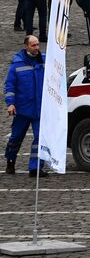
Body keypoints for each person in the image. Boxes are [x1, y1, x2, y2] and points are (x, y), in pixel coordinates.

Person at [5, 34, 44, 176]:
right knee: (16, 138)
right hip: (22, 110)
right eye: (33, 45)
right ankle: (10, 160)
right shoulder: (16, 65)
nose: (36, 48)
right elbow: (10, 86)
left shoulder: (44, 60)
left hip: (39, 109)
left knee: (40, 138)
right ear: (26, 46)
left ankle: (35, 168)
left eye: (38, 45)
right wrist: (10, 104)